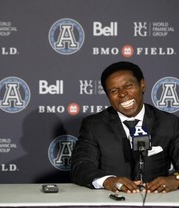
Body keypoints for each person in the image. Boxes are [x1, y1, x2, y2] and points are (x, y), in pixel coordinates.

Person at [71, 61, 179, 193]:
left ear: (142, 85)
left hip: (157, 202)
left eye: (128, 86)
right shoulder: (94, 125)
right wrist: (108, 181)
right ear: (108, 96)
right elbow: (81, 166)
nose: (122, 94)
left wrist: (175, 179)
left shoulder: (169, 123)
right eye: (114, 90)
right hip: (111, 204)